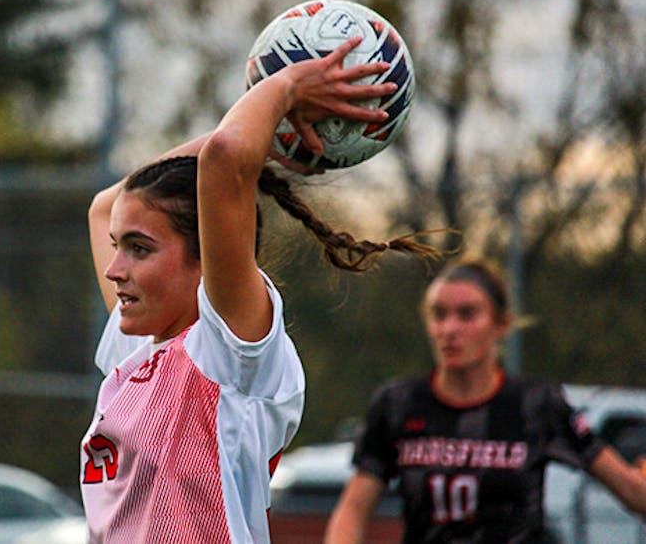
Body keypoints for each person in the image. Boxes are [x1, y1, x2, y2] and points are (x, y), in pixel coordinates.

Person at [80, 36, 442, 543]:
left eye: (139, 249)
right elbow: (106, 205)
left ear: (210, 261)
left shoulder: (227, 354)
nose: (115, 268)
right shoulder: (138, 354)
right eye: (119, 247)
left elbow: (226, 157)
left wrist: (288, 86)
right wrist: (277, 138)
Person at [324, 258, 646, 544]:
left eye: (467, 314)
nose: (449, 329)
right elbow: (353, 509)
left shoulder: (537, 405)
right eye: (439, 315)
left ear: (501, 324)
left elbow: (632, 492)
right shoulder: (399, 403)